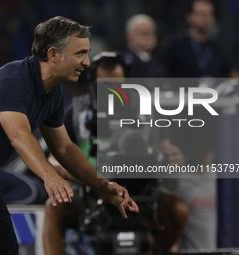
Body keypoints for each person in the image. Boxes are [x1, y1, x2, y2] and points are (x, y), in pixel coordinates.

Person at [0, 16, 139, 255]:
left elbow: (64, 148)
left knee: (4, 248)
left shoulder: (53, 92)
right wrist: (49, 176)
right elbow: (19, 136)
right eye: (80, 53)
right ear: (53, 54)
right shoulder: (14, 81)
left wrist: (103, 186)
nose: (86, 62)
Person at [43, 51, 189, 255]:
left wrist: (175, 157)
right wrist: (64, 170)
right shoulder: (76, 111)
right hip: (90, 188)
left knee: (178, 210)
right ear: (94, 79)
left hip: (142, 190)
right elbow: (54, 154)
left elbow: (167, 147)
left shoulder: (147, 110)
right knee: (54, 207)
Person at [157, 0, 237, 250]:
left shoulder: (217, 48)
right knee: (176, 195)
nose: (204, 19)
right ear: (190, 17)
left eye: (208, 14)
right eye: (199, 14)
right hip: (181, 126)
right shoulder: (176, 47)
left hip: (212, 129)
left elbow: (233, 75)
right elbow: (158, 80)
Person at [124, 14, 164, 78]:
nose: (148, 37)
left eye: (152, 33)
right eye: (143, 33)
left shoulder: (158, 61)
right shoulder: (127, 65)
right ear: (129, 36)